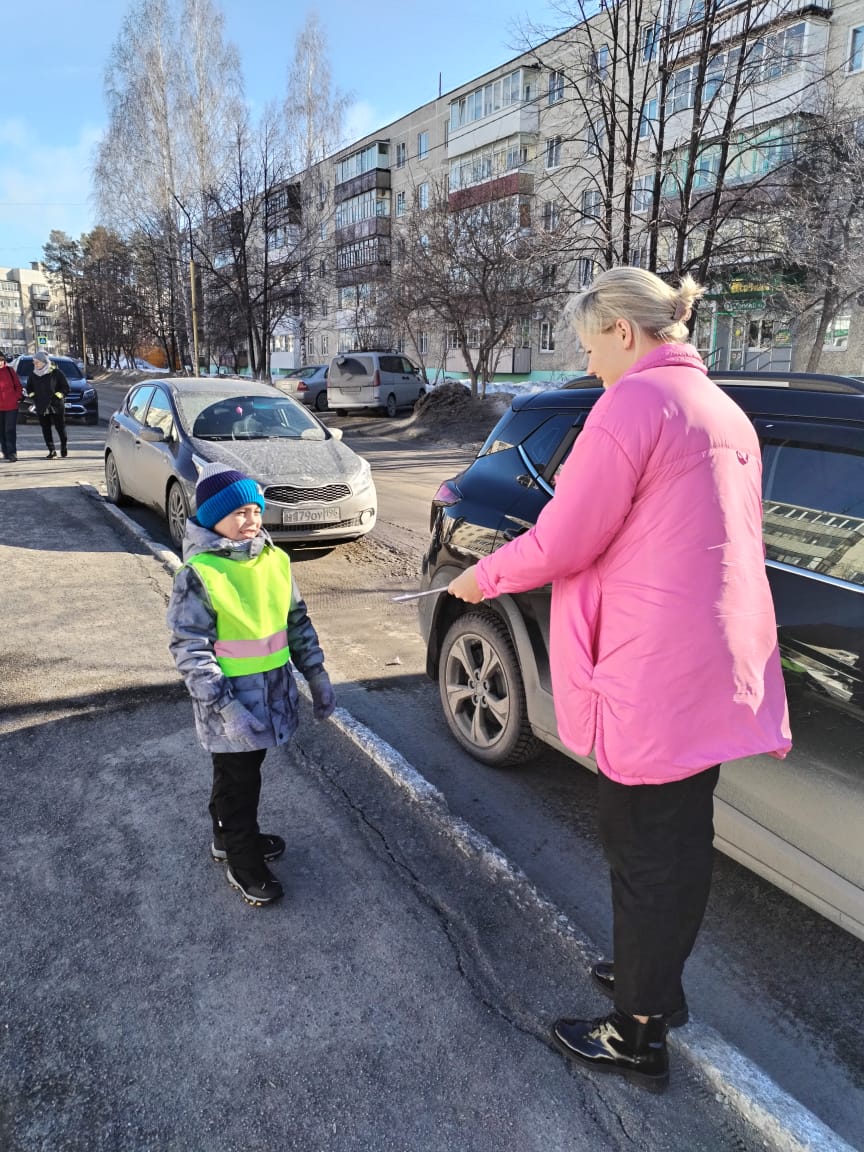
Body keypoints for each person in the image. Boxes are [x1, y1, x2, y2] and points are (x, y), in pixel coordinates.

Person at [448, 267, 791, 1093]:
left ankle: (637, 1033)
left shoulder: (633, 406)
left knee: (644, 850)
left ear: (624, 332)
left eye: (590, 344)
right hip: (711, 661)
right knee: (674, 843)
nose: (588, 362)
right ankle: (653, 987)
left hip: (652, 667)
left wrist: (482, 576)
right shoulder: (721, 409)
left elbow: (567, 538)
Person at [166, 462, 337, 907]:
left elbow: (297, 623)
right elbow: (191, 650)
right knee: (238, 783)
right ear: (211, 517)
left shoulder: (274, 561)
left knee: (243, 776)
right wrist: (226, 708)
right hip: (230, 706)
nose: (251, 521)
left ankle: (229, 838)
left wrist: (316, 675)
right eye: (238, 513)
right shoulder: (200, 574)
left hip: (271, 697)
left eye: (255, 511)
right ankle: (242, 861)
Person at [27, 348, 69, 459]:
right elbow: (29, 388)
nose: (35, 364)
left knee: (60, 427)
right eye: (34, 362)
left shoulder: (56, 373)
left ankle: (63, 446)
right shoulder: (33, 375)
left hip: (56, 406)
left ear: (44, 362)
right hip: (41, 406)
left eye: (37, 362)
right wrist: (34, 397)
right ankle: (52, 450)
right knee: (46, 429)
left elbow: (65, 388)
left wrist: (57, 396)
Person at [0, 353, 23, 462]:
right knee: (1, 431)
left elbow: (18, 386)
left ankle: (12, 453)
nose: (0, 362)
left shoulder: (10, 371)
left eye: (1, 360)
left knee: (10, 430)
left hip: (11, 406)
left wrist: (16, 397)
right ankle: (5, 451)